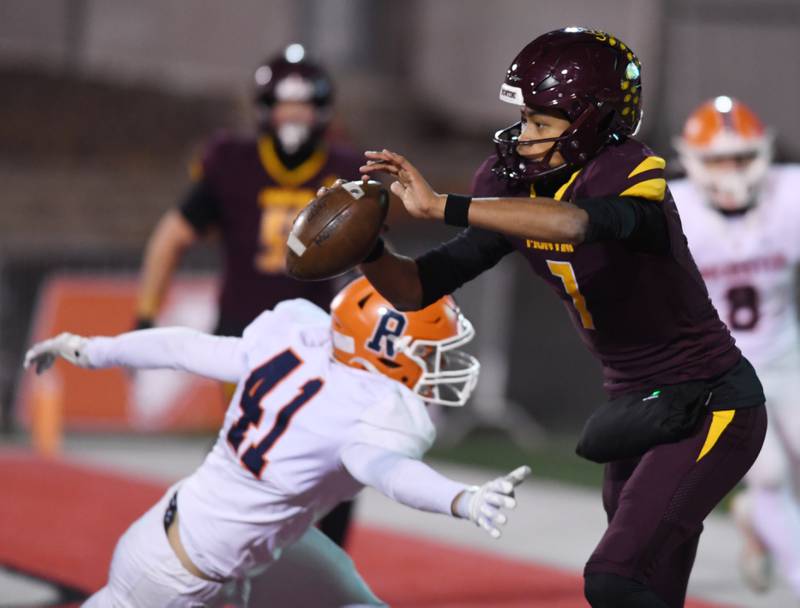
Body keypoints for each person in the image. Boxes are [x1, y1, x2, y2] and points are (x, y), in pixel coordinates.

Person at [352, 27, 766, 608]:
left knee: (615, 579)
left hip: (710, 402)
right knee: (649, 587)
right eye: (524, 119)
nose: (524, 137)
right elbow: (418, 287)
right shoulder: (506, 184)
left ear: (593, 124)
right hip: (633, 407)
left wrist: (443, 206)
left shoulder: (628, 169)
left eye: (542, 124)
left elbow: (576, 223)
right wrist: (366, 249)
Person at [24, 277, 530, 607]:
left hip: (218, 539)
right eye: (431, 350)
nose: (443, 362)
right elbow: (392, 474)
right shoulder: (365, 412)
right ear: (387, 352)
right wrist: (461, 499)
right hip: (179, 580)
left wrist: (89, 349)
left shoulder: (300, 338)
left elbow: (184, 347)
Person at [134, 43, 364, 547]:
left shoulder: (345, 168)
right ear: (264, 108)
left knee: (342, 457)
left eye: (304, 105)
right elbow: (170, 238)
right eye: (286, 104)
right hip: (244, 335)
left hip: (319, 340)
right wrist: (146, 314)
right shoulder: (230, 161)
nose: (295, 116)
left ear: (324, 111)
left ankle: (325, 571)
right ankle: (207, 555)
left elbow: (373, 258)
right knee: (253, 460)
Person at [671, 96, 800, 595]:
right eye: (719, 159)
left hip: (785, 356)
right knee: (767, 475)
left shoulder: (787, 196)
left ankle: (753, 521)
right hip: (719, 370)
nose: (732, 171)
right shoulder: (671, 209)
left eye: (742, 157)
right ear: (691, 159)